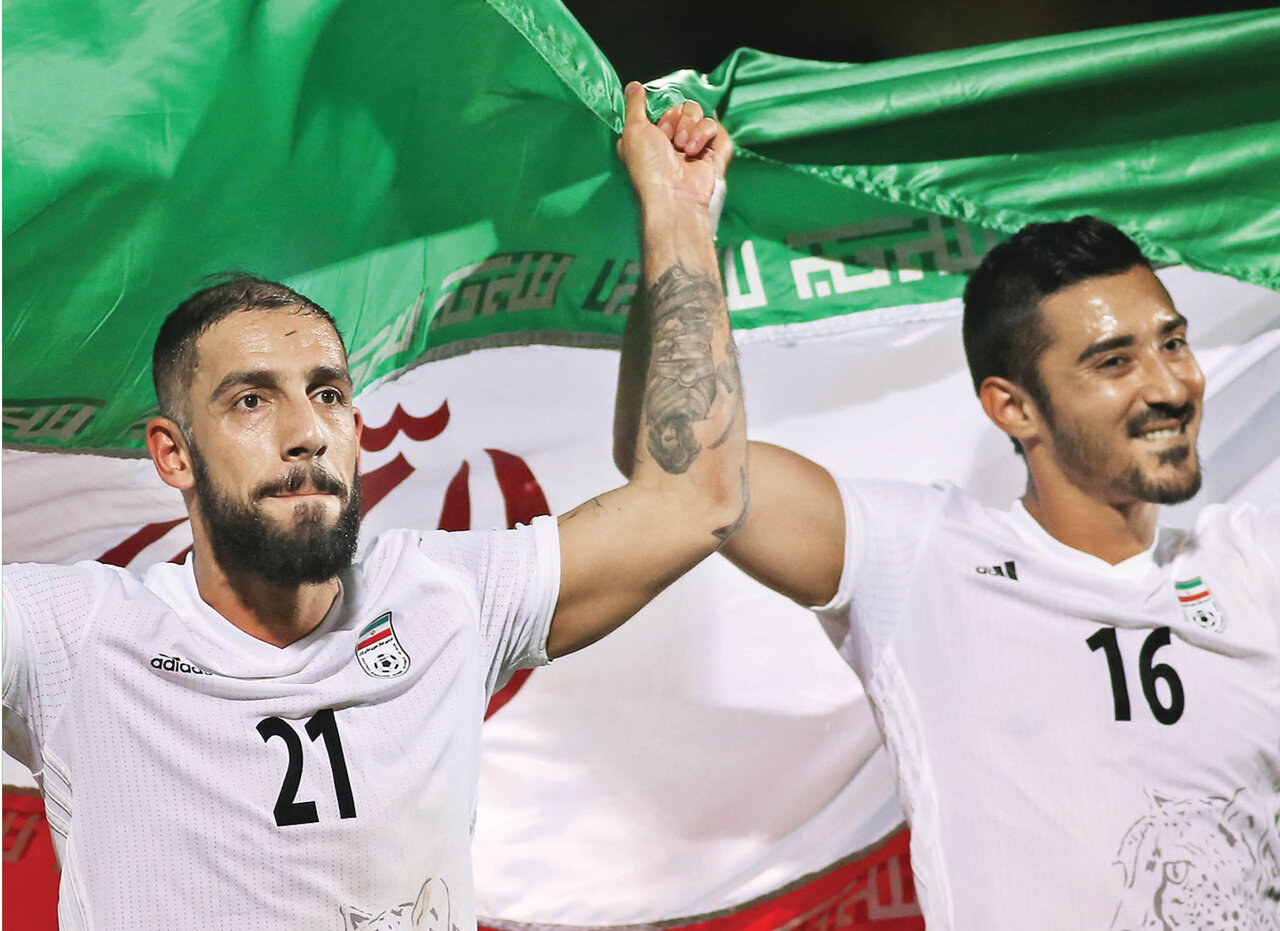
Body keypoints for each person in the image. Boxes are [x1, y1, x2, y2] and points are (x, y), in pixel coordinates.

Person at [1, 83, 745, 930]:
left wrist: (680, 212)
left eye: (326, 394)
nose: (305, 434)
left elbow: (695, 498)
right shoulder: (72, 638)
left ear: (357, 430)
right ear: (173, 453)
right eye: (251, 400)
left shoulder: (444, 599)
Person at [617, 214, 1280, 929]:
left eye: (1173, 343)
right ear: (1014, 407)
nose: (1171, 385)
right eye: (1115, 362)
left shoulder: (1253, 563)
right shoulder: (922, 558)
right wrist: (680, 213)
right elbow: (680, 458)